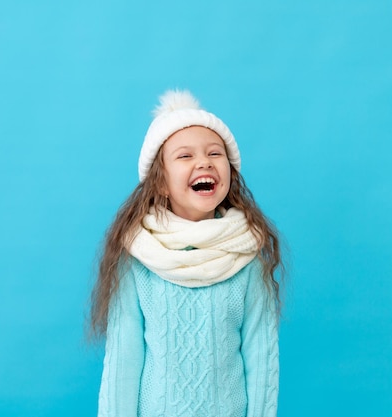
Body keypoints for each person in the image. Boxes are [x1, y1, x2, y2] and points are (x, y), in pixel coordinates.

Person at [89, 89, 284, 417]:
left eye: (214, 153)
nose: (203, 162)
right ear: (160, 182)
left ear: (229, 174)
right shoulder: (138, 258)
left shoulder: (247, 255)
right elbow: (123, 362)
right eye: (185, 156)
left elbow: (261, 360)